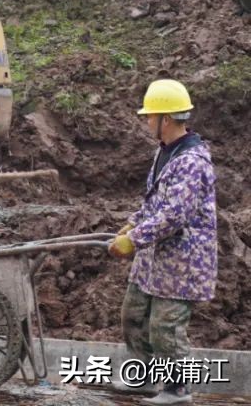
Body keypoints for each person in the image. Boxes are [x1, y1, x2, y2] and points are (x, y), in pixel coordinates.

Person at [109, 79, 216, 405]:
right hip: (155, 256)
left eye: (150, 116)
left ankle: (178, 389)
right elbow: (154, 202)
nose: (146, 121)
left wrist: (133, 239)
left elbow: (174, 215)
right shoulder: (165, 152)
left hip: (183, 259)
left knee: (165, 327)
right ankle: (143, 377)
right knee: (134, 315)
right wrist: (133, 222)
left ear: (165, 119)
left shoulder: (191, 161)